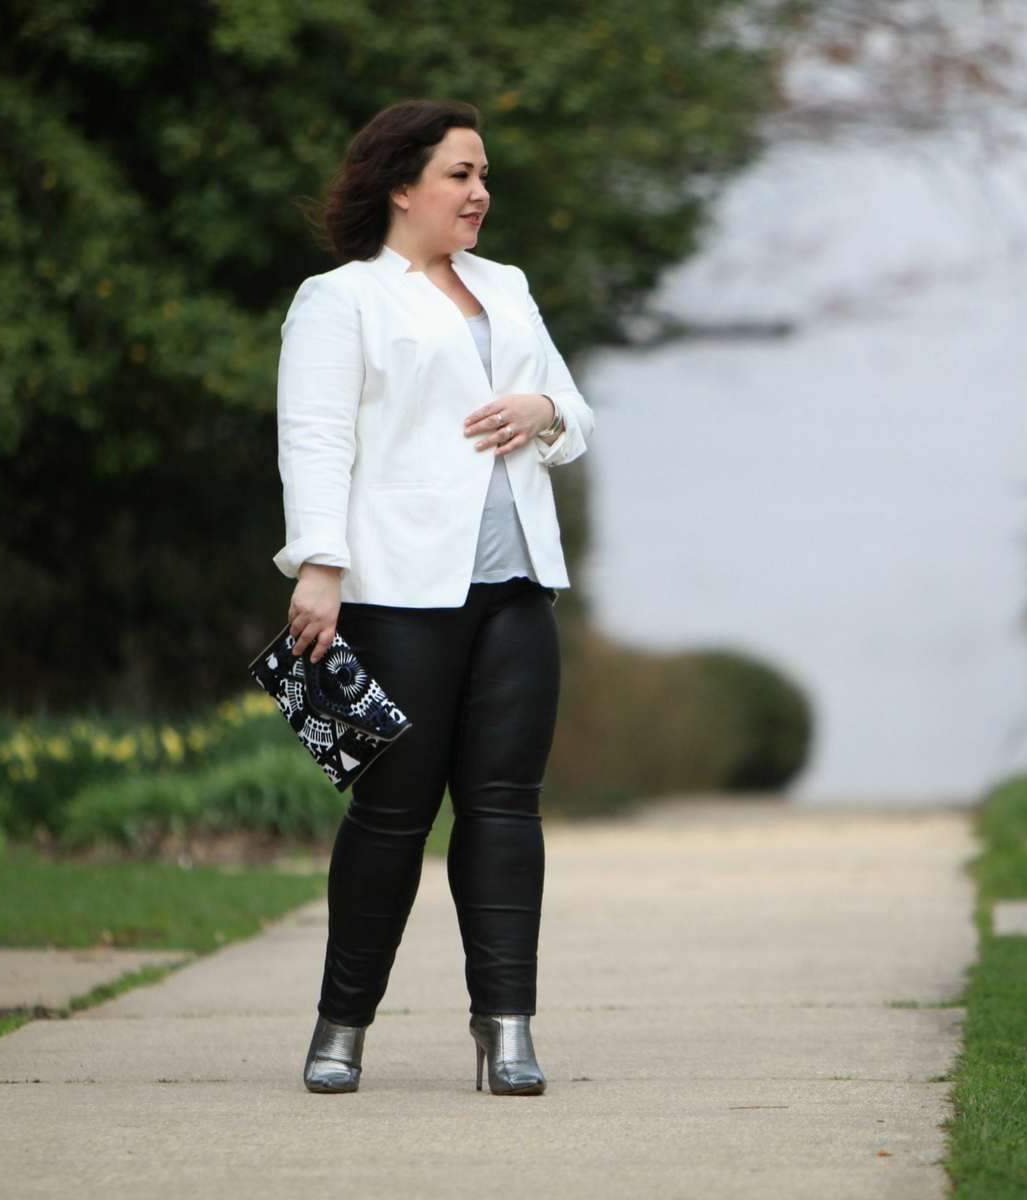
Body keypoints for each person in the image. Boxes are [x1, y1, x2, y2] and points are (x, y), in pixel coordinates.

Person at [273, 98, 596, 1096]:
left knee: (505, 812)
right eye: (460, 174)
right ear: (401, 185)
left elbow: (573, 414)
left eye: (483, 175)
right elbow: (317, 435)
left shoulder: (506, 286)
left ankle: (506, 1029)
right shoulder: (342, 299)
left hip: (517, 587)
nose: (480, 192)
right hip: (397, 592)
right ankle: (340, 1027)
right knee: (391, 815)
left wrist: (543, 408)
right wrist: (318, 565)